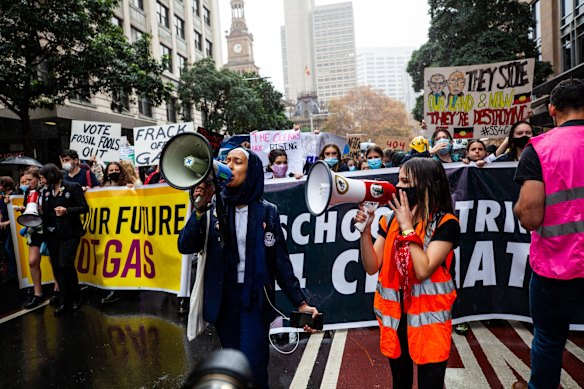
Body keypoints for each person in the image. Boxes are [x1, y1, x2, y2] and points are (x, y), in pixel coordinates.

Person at [178, 146, 318, 389]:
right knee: (233, 369)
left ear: (251, 170)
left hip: (254, 300)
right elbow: (185, 245)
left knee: (253, 368)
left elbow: (280, 263)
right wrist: (199, 209)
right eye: (227, 160)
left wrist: (301, 303)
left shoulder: (267, 212)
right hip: (224, 302)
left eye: (237, 162)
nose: (230, 165)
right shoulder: (212, 209)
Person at [355, 158, 460, 389]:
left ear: (425, 185)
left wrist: (408, 228)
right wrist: (365, 233)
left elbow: (423, 269)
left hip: (429, 322)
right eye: (398, 180)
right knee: (400, 382)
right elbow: (372, 266)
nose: (398, 187)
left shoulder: (445, 223)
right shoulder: (389, 220)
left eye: (405, 181)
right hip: (396, 318)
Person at [512, 78, 584, 389]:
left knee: (550, 339)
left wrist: (518, 209)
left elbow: (529, 216)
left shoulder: (539, 149)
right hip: (559, 267)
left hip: (555, 269)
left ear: (552, 110)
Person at [38, 163, 89, 316]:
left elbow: (84, 208)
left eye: (43, 178)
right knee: (57, 267)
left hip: (70, 233)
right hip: (52, 234)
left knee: (65, 263)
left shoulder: (72, 187)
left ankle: (75, 296)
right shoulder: (45, 192)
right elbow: (45, 213)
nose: (41, 181)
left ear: (50, 176)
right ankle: (63, 300)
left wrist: (67, 210)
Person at [17, 167, 60, 309]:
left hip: (49, 227)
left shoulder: (49, 189)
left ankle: (57, 289)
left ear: (39, 178)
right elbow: (28, 208)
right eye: (25, 180)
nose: (28, 183)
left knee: (53, 259)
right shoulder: (29, 192)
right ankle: (38, 293)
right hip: (35, 228)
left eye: (30, 180)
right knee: (33, 261)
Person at [0, 176, 18, 282]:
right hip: (5, 228)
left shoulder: (14, 196)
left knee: (9, 249)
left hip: (13, 228)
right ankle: (11, 274)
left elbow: (17, 214)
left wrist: (7, 222)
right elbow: (1, 211)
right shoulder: (2, 197)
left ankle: (14, 275)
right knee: (7, 251)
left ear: (6, 185)